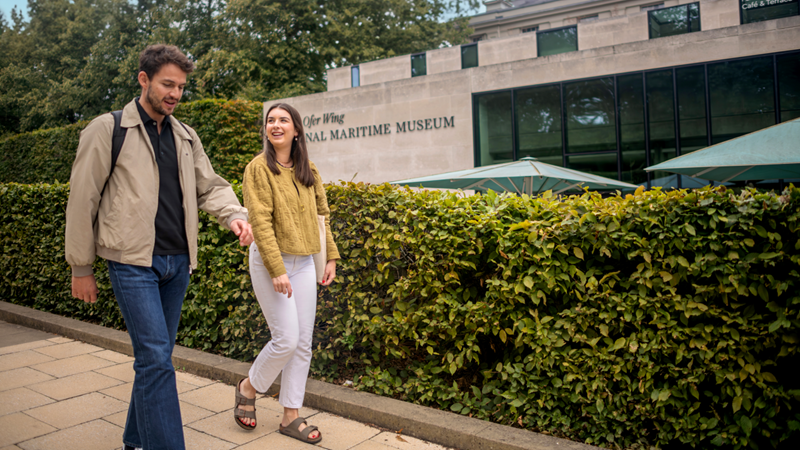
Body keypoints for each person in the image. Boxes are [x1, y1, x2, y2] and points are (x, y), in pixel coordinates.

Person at [65, 44, 253, 450]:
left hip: (178, 263)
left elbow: (211, 186)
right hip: (132, 264)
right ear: (144, 80)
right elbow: (82, 199)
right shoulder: (107, 129)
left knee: (155, 361)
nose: (175, 94)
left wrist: (235, 215)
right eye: (168, 84)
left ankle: (135, 441)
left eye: (181, 87)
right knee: (155, 359)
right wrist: (81, 267)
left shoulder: (186, 136)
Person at [234, 103, 339, 444]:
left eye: (283, 120)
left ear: (296, 130)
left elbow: (322, 215)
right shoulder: (258, 169)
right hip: (269, 263)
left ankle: (290, 415)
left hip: (306, 262)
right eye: (270, 120)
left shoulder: (309, 169)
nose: (275, 125)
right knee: (286, 339)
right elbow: (260, 220)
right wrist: (277, 267)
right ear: (266, 130)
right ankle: (249, 387)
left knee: (303, 344)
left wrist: (330, 258)